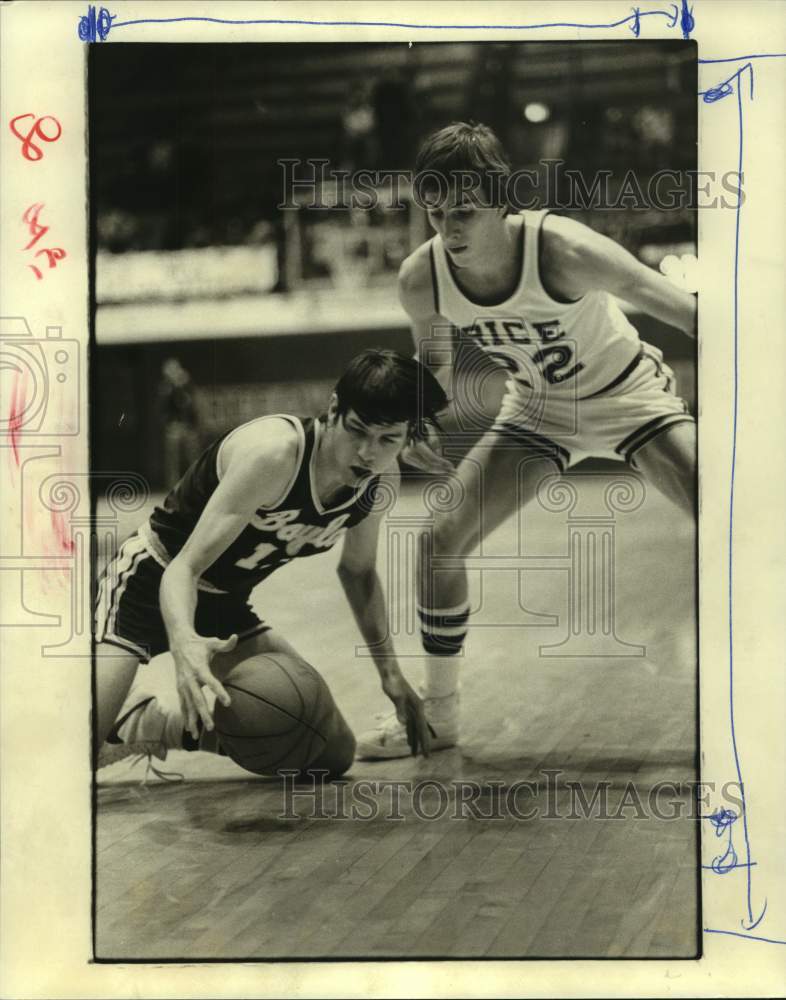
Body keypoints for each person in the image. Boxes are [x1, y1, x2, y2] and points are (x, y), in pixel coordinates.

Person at [356, 121, 696, 759]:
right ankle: (439, 716)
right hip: (538, 410)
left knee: (732, 519)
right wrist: (420, 420)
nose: (448, 229)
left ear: (500, 200)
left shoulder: (564, 248)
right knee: (436, 542)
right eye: (435, 212)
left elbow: (686, 310)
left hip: (628, 395)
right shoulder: (420, 279)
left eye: (464, 212)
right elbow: (433, 366)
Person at [95, 349, 447, 771]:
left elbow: (359, 572)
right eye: (357, 431)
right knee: (67, 758)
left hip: (224, 605)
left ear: (407, 437)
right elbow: (183, 567)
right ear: (334, 409)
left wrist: (390, 675)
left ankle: (152, 724)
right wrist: (185, 641)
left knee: (324, 753)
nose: (368, 453)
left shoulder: (380, 482)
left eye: (387, 439)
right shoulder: (275, 455)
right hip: (150, 580)